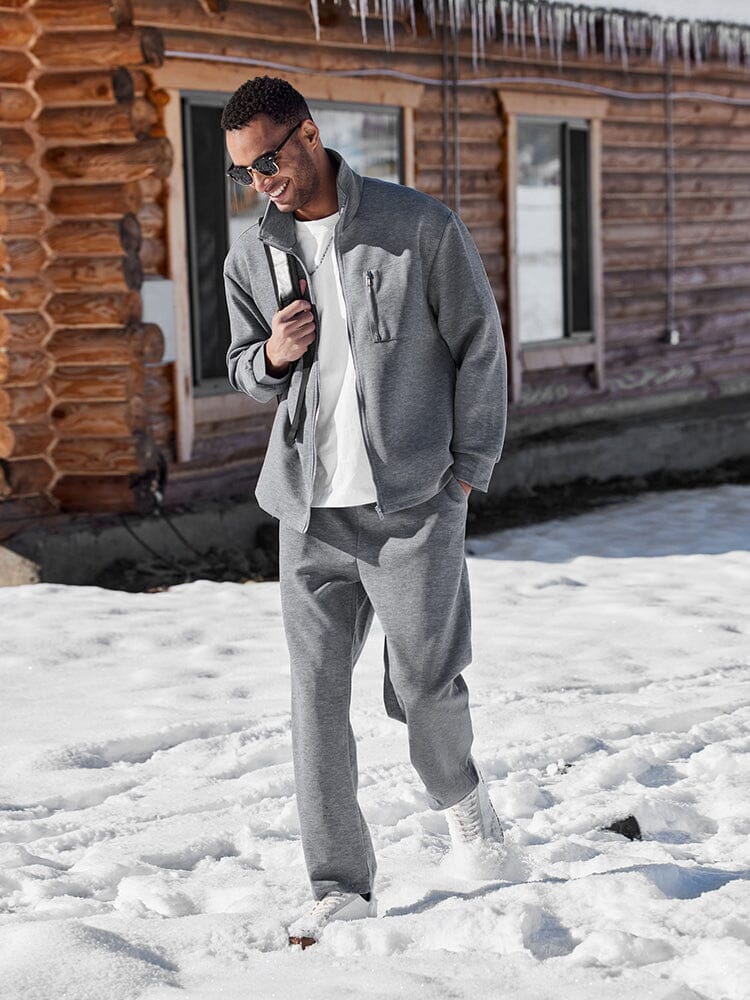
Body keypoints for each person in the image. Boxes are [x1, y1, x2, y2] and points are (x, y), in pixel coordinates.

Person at [222, 76, 509, 949]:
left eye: (269, 161)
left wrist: (468, 471)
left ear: (309, 136)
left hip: (414, 506)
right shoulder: (251, 256)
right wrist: (274, 355)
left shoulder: (418, 225)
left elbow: (480, 346)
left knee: (422, 688)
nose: (261, 182)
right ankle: (339, 884)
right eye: (244, 172)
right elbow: (241, 366)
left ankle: (465, 805)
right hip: (309, 511)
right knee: (314, 702)